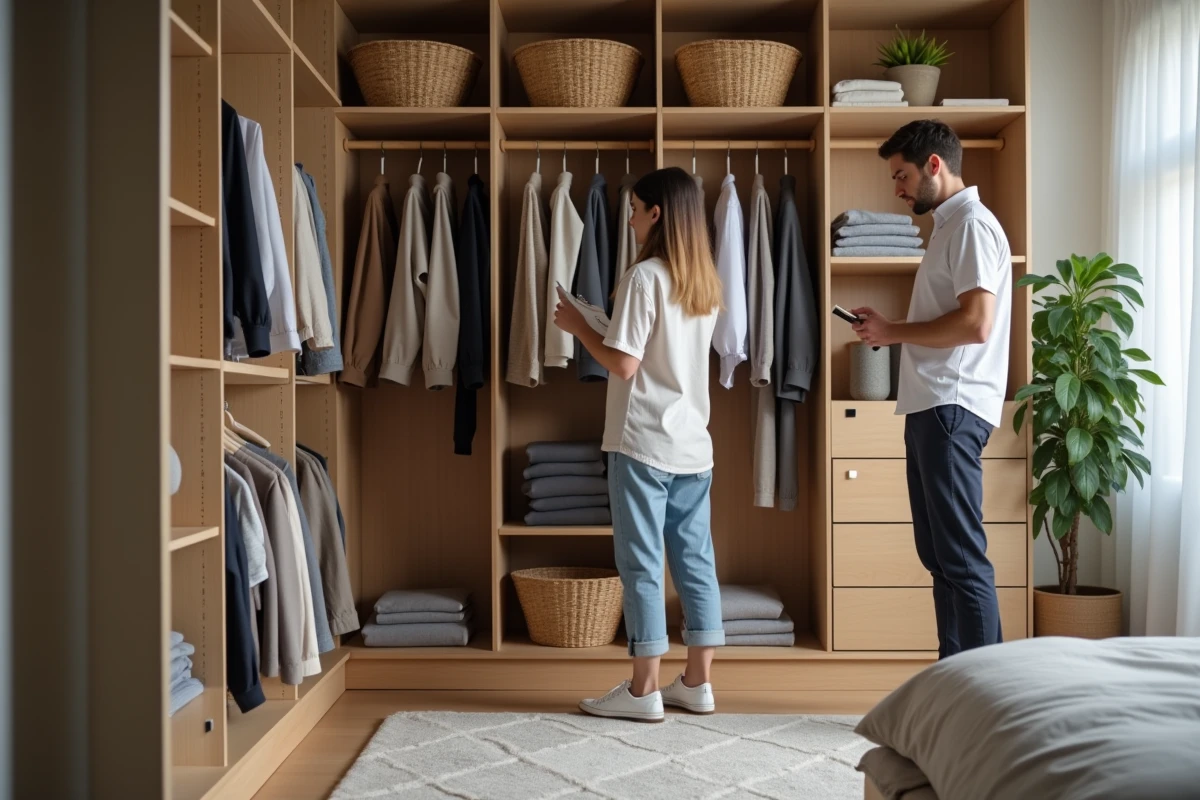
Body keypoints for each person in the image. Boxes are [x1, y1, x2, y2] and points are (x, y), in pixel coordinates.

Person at [554, 166, 725, 721]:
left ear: (656, 213)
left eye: (633, 209)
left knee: (642, 564)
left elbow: (625, 364)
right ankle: (696, 683)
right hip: (692, 446)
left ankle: (643, 690)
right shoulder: (703, 282)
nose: (627, 219)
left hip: (643, 443)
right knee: (696, 561)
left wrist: (579, 327)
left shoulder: (644, 277)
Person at [850, 120, 1011, 659]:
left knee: (961, 558)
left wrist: (893, 332)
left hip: (952, 407)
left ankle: (986, 695)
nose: (896, 189)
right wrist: (891, 327)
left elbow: (976, 324)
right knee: (941, 557)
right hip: (934, 406)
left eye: (901, 175)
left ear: (934, 166)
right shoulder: (949, 227)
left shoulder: (970, 226)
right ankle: (954, 679)